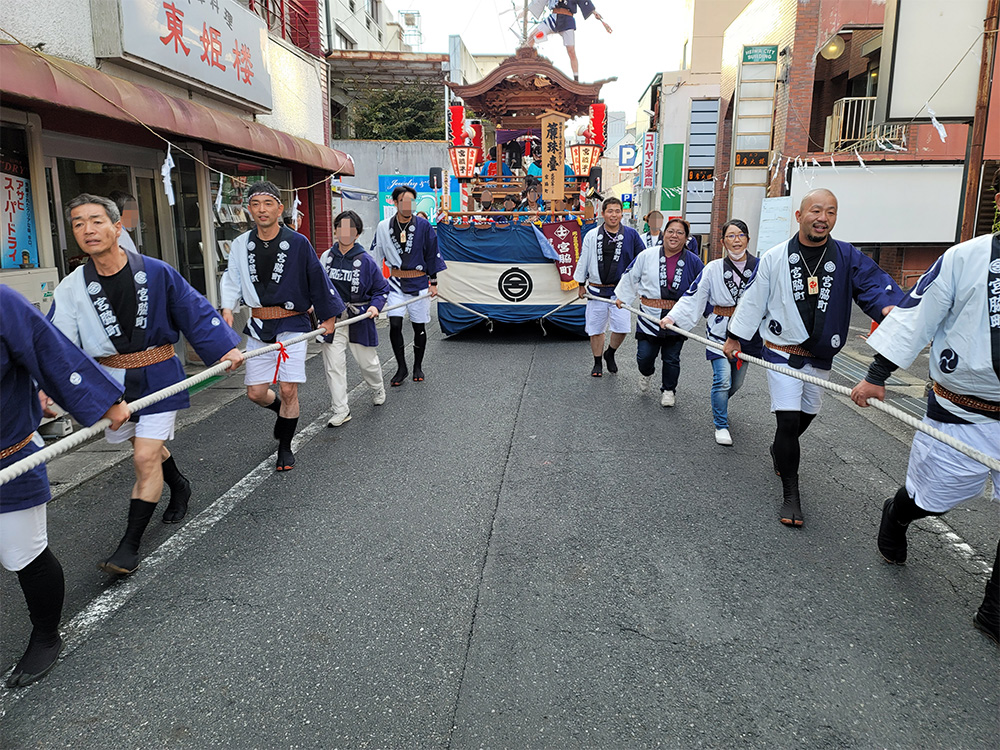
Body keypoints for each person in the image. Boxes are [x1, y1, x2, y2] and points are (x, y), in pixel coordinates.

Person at [49, 194, 244, 575]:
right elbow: (57, 346)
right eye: (77, 224)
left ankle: (129, 547)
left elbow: (193, 309)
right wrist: (47, 387)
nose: (87, 230)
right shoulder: (71, 288)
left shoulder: (156, 272)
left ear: (117, 227)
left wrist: (223, 349)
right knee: (144, 450)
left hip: (158, 375)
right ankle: (180, 485)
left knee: (143, 457)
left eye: (96, 220)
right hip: (110, 383)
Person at [849, 206, 999, 644]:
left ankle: (994, 609)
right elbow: (918, 315)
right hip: (962, 410)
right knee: (932, 498)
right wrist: (876, 377)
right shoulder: (966, 258)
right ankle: (899, 513)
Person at [724, 188, 902, 527]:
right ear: (799, 216)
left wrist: (887, 305)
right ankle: (791, 494)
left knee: (806, 416)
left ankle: (781, 450)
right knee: (788, 421)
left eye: (831, 212)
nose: (823, 218)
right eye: (816, 211)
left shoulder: (847, 256)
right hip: (781, 351)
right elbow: (753, 301)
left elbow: (873, 285)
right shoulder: (776, 257)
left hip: (820, 357)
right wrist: (735, 337)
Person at [1, 286, 130, 687]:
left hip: (9, 455)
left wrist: (103, 404)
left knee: (22, 553)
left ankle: (46, 634)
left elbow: (51, 353)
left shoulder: (5, 304)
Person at [220, 181, 344, 472]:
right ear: (249, 209)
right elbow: (232, 279)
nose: (261, 210)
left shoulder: (298, 242)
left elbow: (317, 278)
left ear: (279, 208)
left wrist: (329, 317)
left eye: (268, 203)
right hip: (259, 322)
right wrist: (228, 306)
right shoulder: (240, 245)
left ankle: (285, 447)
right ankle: (280, 412)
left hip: (292, 323)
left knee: (288, 388)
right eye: (255, 204)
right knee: (255, 392)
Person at [663, 219, 762, 445]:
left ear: (747, 238)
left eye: (740, 235)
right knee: (723, 380)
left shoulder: (761, 267)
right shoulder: (713, 268)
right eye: (730, 236)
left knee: (735, 384)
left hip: (748, 332)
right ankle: (721, 424)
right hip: (719, 330)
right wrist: (672, 317)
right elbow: (693, 296)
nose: (736, 241)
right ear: (723, 241)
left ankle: (721, 404)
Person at [615, 217, 704, 406]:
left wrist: (710, 313)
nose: (674, 236)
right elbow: (632, 274)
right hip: (649, 314)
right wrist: (623, 296)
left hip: (677, 316)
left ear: (686, 238)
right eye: (671, 231)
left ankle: (669, 390)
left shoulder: (694, 262)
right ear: (664, 234)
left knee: (672, 357)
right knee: (644, 356)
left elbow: (704, 288)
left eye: (680, 233)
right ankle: (646, 373)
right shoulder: (647, 255)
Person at [319, 211, 390, 427]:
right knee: (334, 366)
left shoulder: (366, 260)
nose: (345, 232)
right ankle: (341, 409)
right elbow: (317, 286)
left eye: (350, 229)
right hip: (333, 320)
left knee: (367, 363)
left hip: (359, 318)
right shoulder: (326, 257)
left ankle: (377, 386)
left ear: (357, 233)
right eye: (341, 227)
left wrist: (375, 307)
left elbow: (382, 289)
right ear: (336, 230)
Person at [371, 185, 447, 386]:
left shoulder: (424, 225)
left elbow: (432, 254)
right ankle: (401, 367)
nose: (408, 205)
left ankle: (417, 366)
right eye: (403, 201)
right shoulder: (383, 227)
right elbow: (377, 257)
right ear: (395, 202)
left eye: (411, 201)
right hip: (395, 282)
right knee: (394, 324)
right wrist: (376, 288)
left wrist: (434, 283)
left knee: (418, 325)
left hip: (419, 282)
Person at [573, 196, 644, 377]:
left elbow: (643, 260)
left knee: (621, 328)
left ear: (622, 214)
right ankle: (597, 362)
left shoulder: (631, 234)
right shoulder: (592, 235)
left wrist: (643, 288)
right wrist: (581, 284)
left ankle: (610, 353)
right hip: (597, 290)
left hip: (621, 292)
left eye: (617, 211)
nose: (614, 215)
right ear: (603, 214)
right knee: (596, 329)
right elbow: (584, 260)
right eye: (610, 211)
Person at [525, 0, 612, 81]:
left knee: (571, 51)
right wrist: (526, 11)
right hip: (554, 18)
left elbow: (584, 1)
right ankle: (526, 67)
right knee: (531, 38)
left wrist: (594, 12)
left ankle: (576, 80)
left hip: (567, 20)